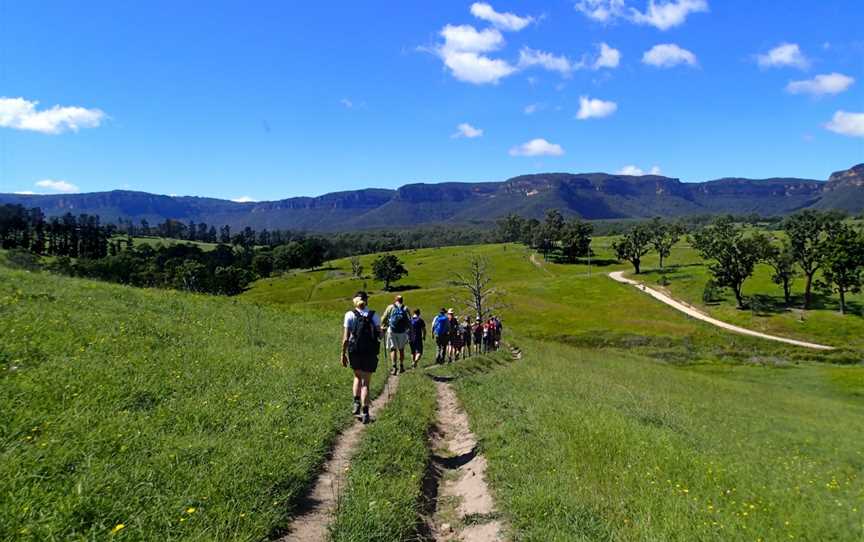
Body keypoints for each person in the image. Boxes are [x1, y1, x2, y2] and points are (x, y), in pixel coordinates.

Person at [341, 291, 381, 424]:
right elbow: (379, 335)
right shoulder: (374, 315)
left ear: (355, 301)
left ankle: (356, 403)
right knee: (366, 384)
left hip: (355, 351)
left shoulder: (349, 315)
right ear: (366, 301)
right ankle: (365, 412)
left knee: (357, 376)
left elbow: (346, 338)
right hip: (369, 352)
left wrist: (343, 354)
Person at [381, 295, 411, 375]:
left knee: (393, 349)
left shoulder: (390, 307)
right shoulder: (405, 308)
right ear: (402, 300)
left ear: (395, 300)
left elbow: (383, 318)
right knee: (401, 349)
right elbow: (409, 320)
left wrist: (383, 326)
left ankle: (394, 367)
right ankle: (401, 366)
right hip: (402, 331)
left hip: (392, 331)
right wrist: (410, 330)